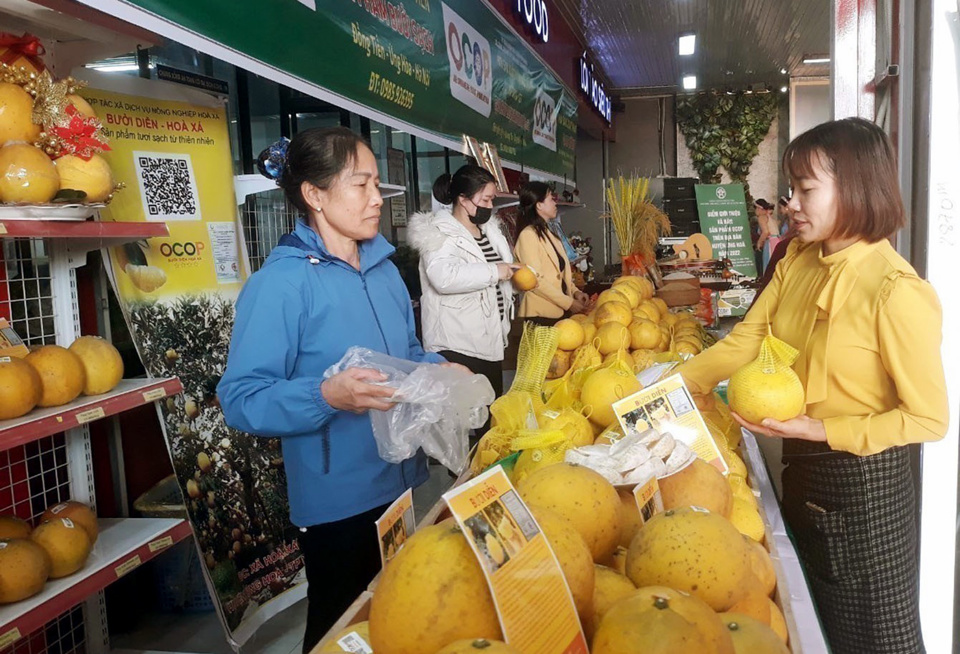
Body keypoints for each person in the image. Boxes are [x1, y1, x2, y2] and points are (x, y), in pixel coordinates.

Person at [676, 118, 948, 654]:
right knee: (821, 627)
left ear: (856, 187)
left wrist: (820, 426)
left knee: (876, 637)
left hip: (865, 486)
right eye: (791, 190)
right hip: (801, 466)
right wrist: (663, 387)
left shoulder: (896, 290)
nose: (791, 204)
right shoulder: (799, 260)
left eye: (806, 189)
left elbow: (928, 419)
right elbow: (746, 342)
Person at [217, 127, 458, 653]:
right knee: (338, 627)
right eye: (360, 184)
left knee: (389, 616)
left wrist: (441, 369)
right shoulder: (282, 284)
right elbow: (240, 397)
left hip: (398, 479)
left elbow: (407, 355)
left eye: (377, 183)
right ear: (315, 195)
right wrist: (326, 396)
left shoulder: (385, 271)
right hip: (336, 501)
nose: (377, 198)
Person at [407, 165, 517, 398]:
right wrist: (496, 271)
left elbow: (495, 275)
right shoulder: (441, 232)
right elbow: (443, 277)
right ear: (463, 199)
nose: (490, 206)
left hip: (489, 340)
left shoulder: (488, 232)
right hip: (458, 343)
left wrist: (512, 275)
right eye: (485, 200)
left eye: (492, 200)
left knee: (490, 417)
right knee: (468, 422)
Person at [514, 181, 590, 325]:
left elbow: (560, 273)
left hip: (560, 311)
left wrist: (575, 292)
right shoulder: (528, 235)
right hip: (541, 314)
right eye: (551, 198)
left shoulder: (548, 233)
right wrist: (568, 303)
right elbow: (535, 281)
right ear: (539, 205)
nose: (555, 203)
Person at [754, 198, 780, 272]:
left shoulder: (762, 217)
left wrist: (759, 243)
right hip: (777, 242)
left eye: (755, 208)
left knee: (769, 268)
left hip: (770, 243)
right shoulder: (770, 217)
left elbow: (765, 232)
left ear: (759, 208)